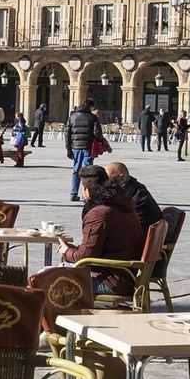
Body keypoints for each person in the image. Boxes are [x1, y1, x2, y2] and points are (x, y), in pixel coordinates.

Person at [58, 164, 142, 296]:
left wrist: (66, 251)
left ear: (87, 190)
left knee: (47, 279)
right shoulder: (122, 204)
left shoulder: (99, 213)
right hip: (125, 275)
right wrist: (73, 250)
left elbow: (86, 257)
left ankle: (57, 316)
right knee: (55, 271)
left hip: (112, 282)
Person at [66, 99, 105, 201]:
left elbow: (67, 133)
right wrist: (104, 143)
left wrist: (68, 149)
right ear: (91, 107)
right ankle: (87, 195)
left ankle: (73, 193)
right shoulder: (93, 117)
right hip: (88, 147)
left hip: (75, 147)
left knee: (76, 170)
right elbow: (97, 133)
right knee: (88, 172)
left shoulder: (72, 117)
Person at [103, 162, 161, 230]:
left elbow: (136, 226)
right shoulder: (133, 189)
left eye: (108, 180)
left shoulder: (138, 198)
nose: (105, 184)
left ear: (122, 178)